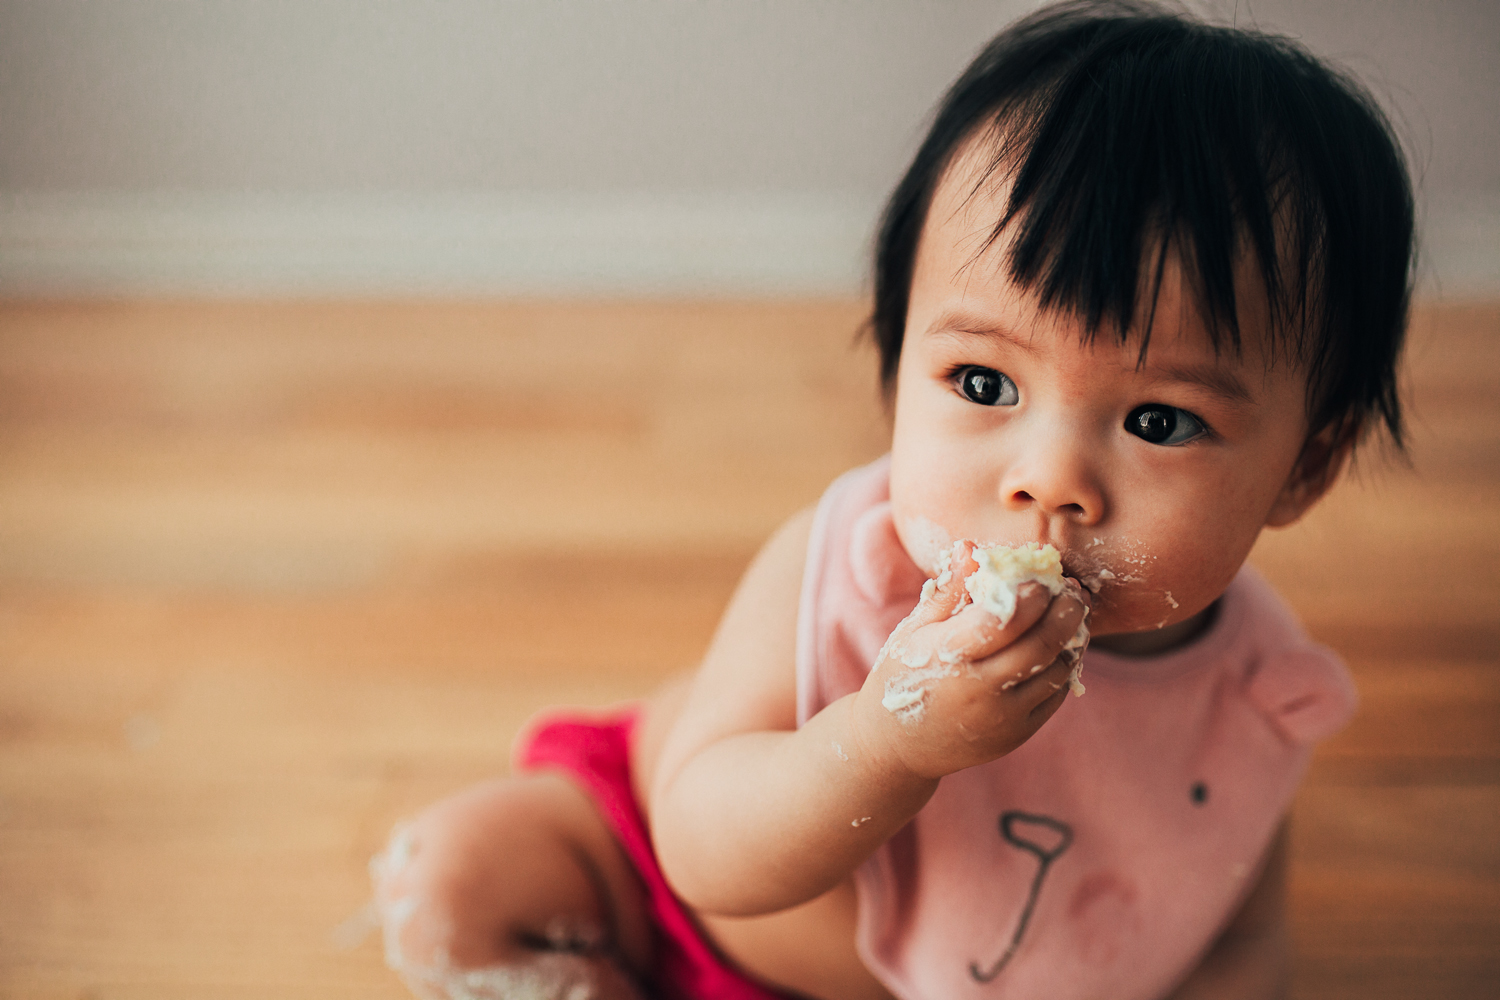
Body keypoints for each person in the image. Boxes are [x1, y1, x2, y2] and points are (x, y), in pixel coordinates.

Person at [371, 2, 1415, 998]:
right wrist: (887, 737)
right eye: (984, 384)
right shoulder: (845, 566)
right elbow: (704, 849)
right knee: (450, 882)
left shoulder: (1252, 695)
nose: (1046, 479)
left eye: (1158, 421)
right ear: (896, 366)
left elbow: (1233, 937)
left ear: (1305, 467)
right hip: (667, 899)